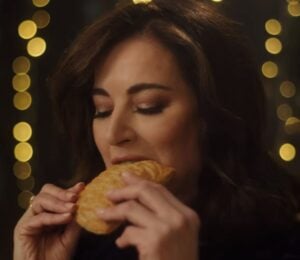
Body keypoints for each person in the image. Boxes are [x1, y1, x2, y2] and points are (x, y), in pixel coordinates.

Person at [14, 0, 300, 259]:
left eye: (148, 106)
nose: (114, 134)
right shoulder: (77, 247)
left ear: (214, 116)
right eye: (102, 110)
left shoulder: (283, 247)